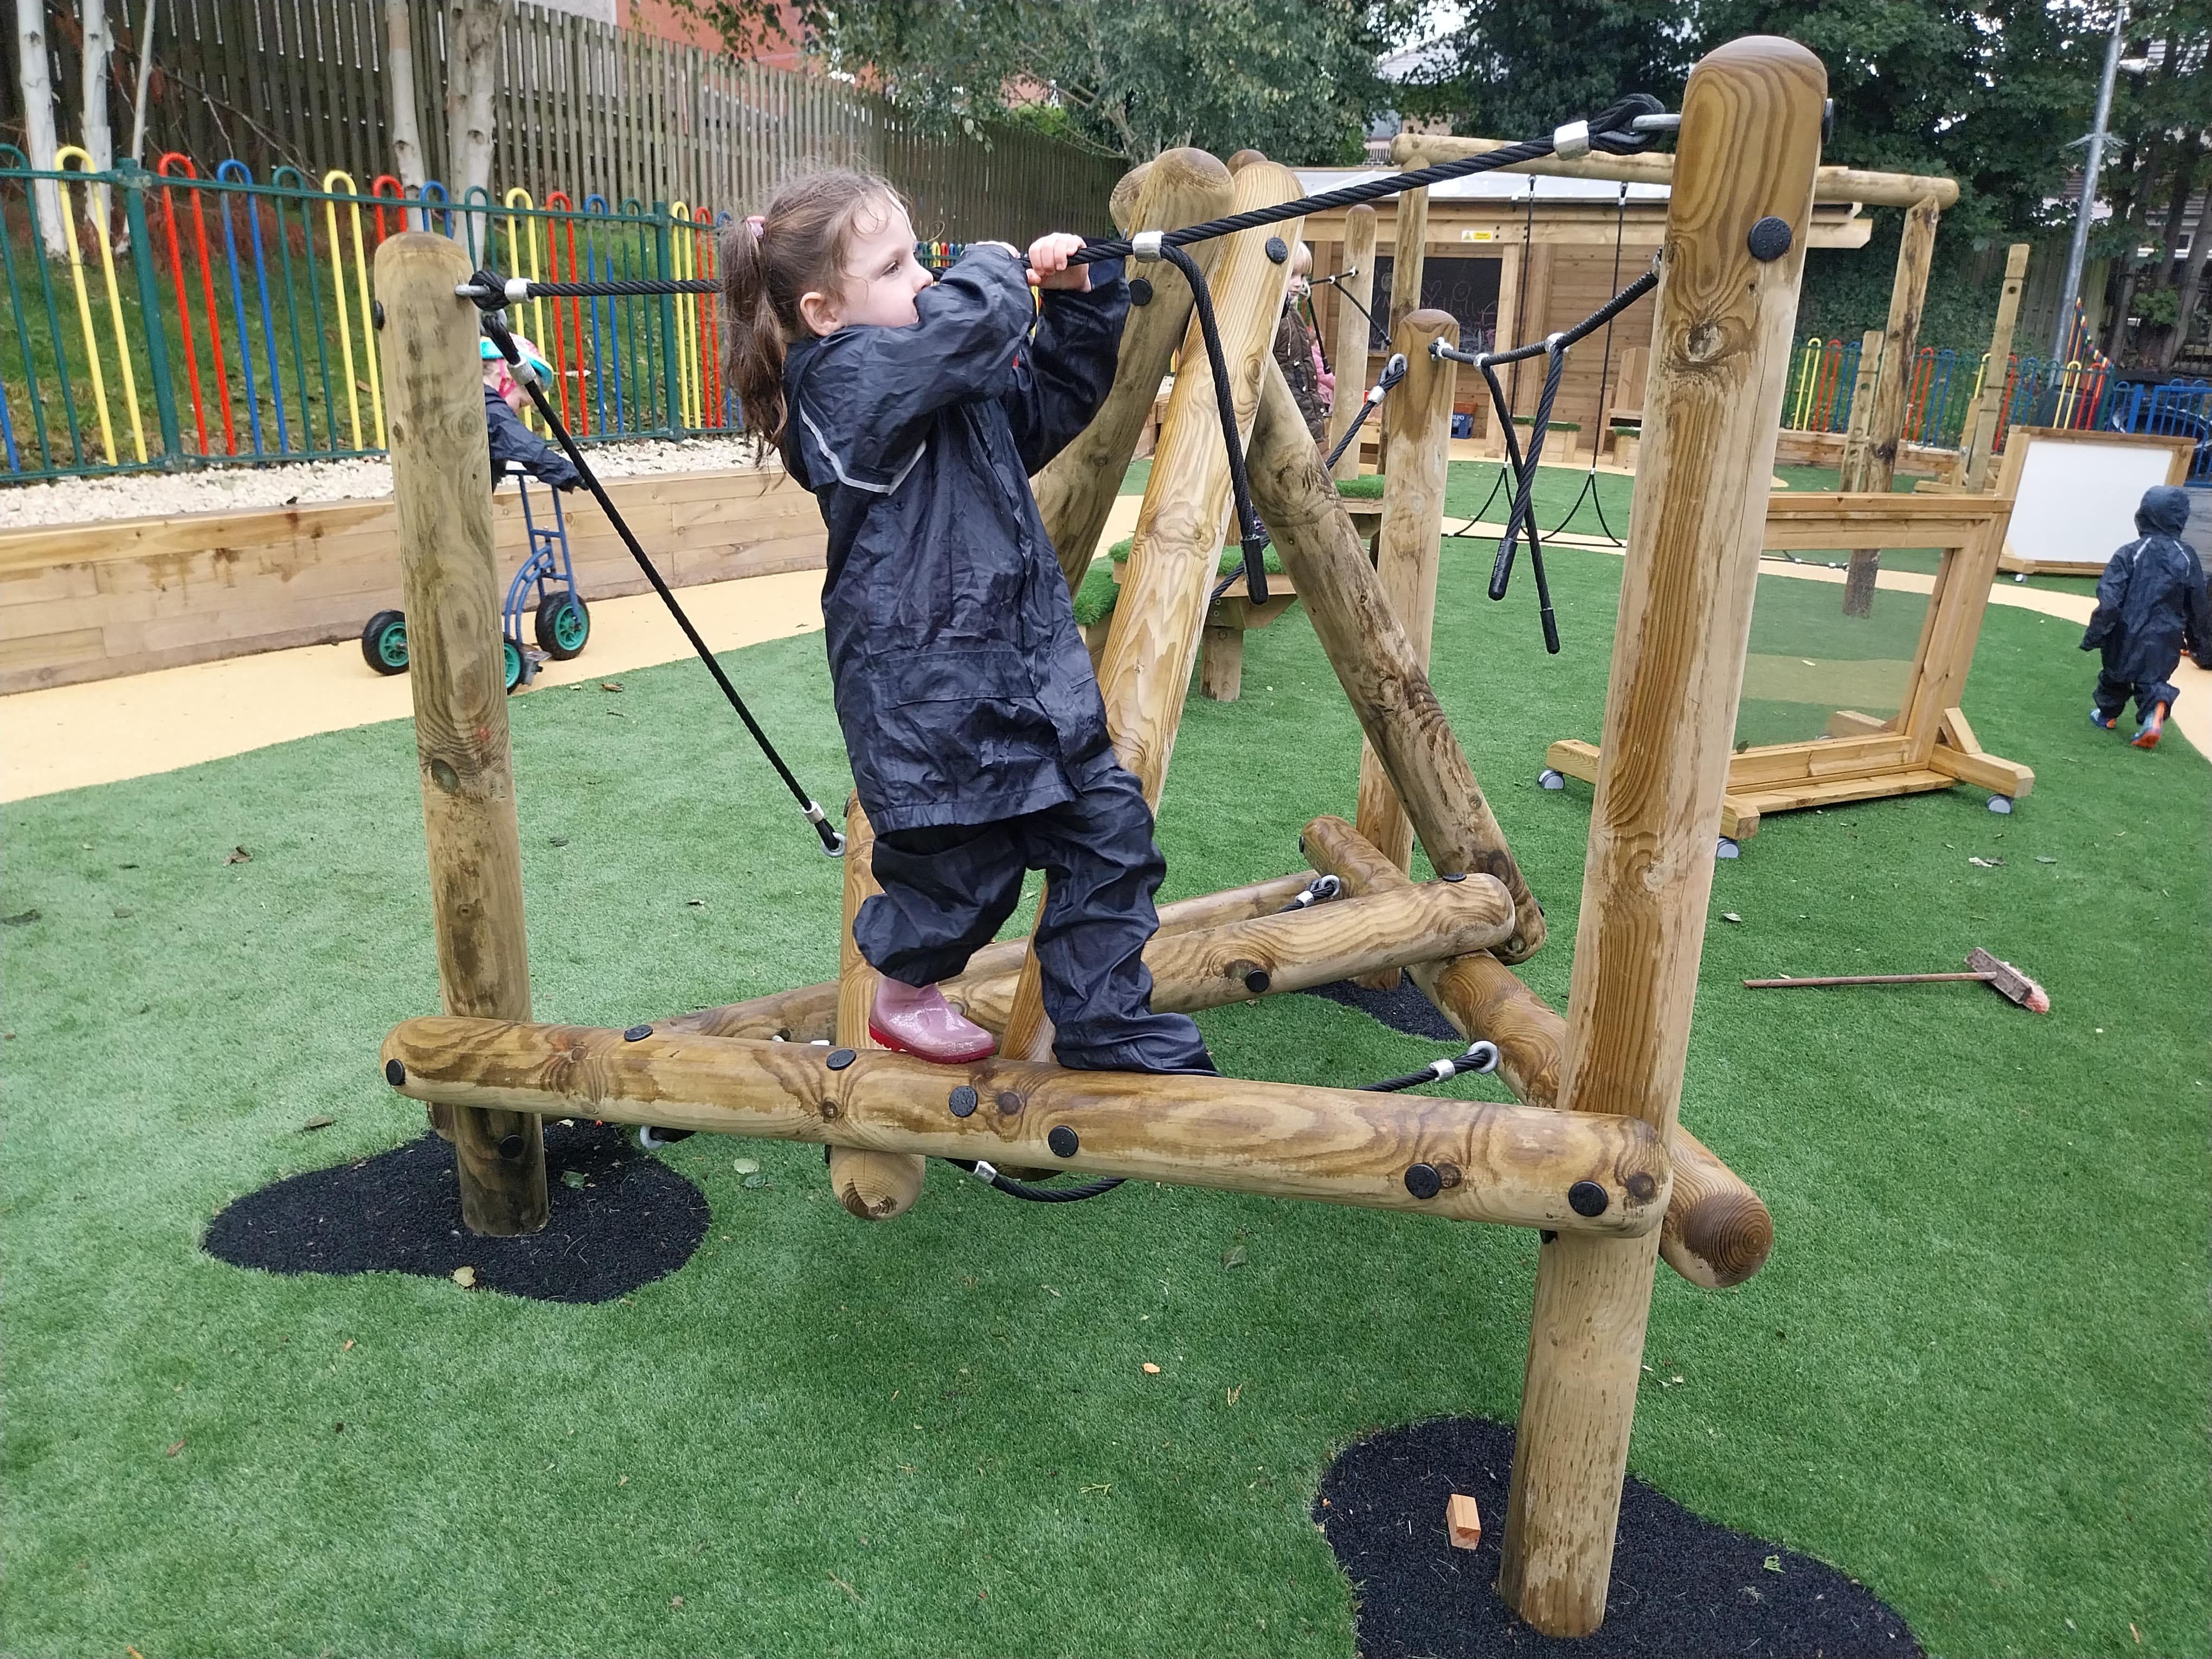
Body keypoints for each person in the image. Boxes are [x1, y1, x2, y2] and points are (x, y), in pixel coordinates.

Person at [718, 169, 1213, 1075]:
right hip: (930, 704)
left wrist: (1072, 311)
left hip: (1029, 677)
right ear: (825, 312)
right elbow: (971, 325)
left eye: (923, 257)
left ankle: (1106, 1023)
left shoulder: (942, 377)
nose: (923, 277)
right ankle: (905, 988)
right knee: (962, 881)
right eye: (899, 265)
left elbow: (1044, 407)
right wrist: (992, 267)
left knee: (1112, 842)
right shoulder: (837, 389)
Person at [2082, 484, 2209, 750]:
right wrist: (2200, 646)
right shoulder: (2188, 558)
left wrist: (2096, 634)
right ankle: (2155, 710)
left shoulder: (2130, 552)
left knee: (2114, 676)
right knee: (2153, 680)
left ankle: (2107, 715)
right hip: (2167, 637)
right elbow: (2199, 606)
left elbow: (2110, 599)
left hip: (2125, 632)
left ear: (2144, 514)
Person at [479, 335, 581, 492]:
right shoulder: (484, 401)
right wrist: (568, 473)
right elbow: (516, 440)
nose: (517, 412)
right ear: (505, 378)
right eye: (521, 403)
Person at [1272, 240, 1330, 446]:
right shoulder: (1273, 318)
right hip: (1282, 416)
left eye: (1303, 276)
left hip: (1301, 411)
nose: (1299, 283)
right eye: (1292, 275)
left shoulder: (1294, 317)